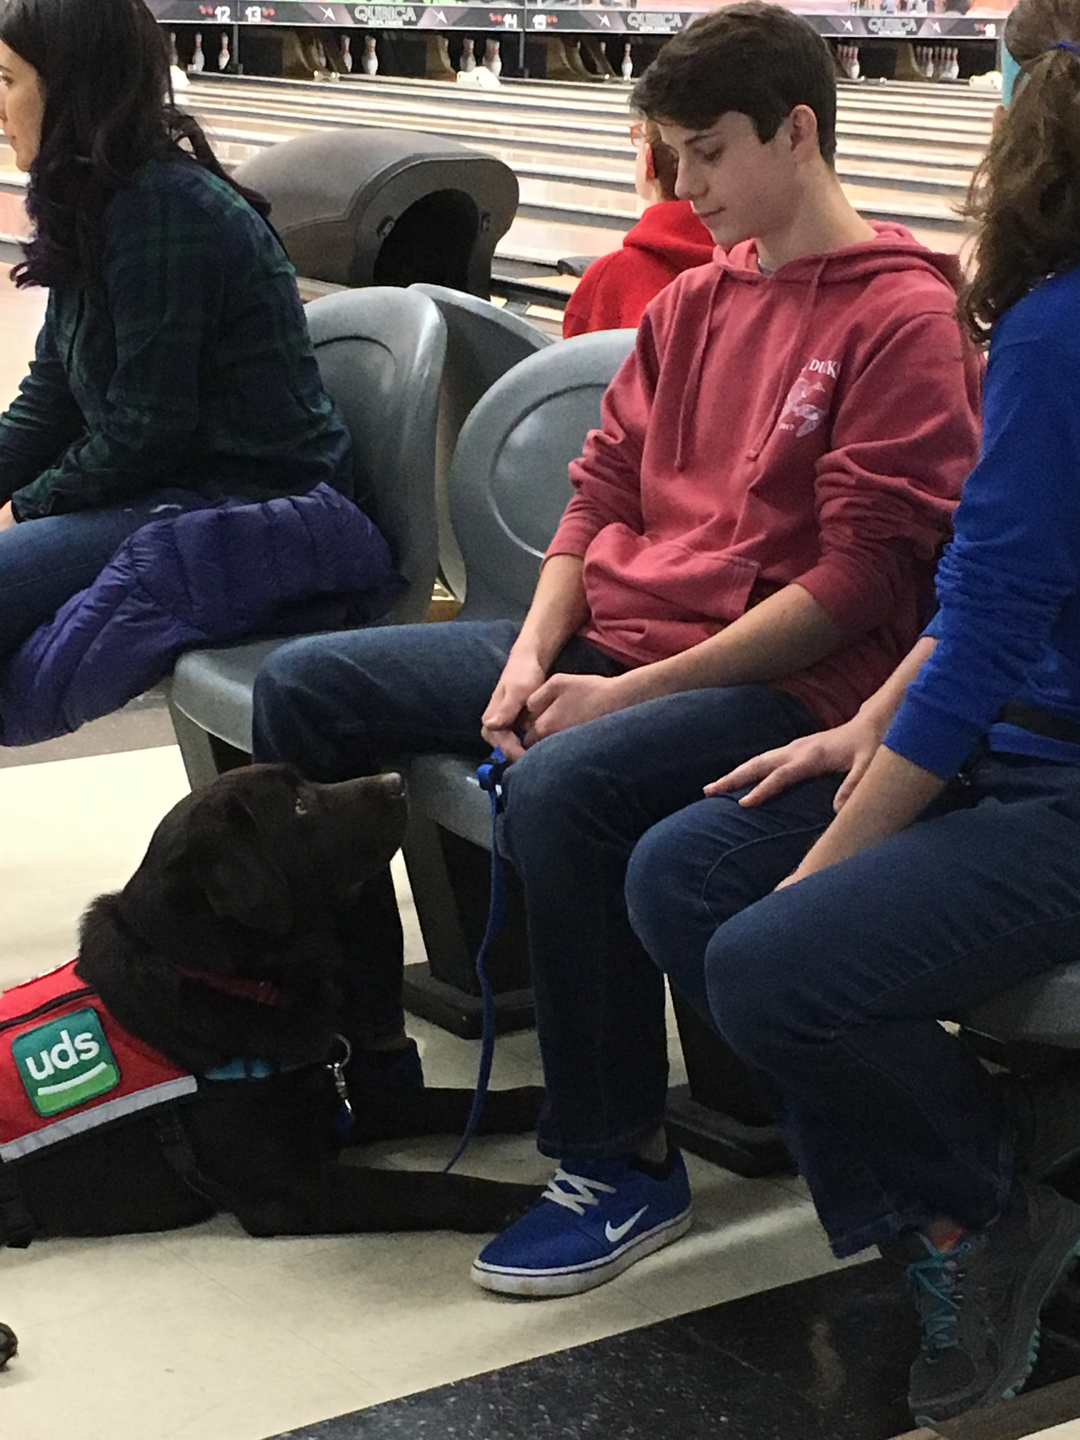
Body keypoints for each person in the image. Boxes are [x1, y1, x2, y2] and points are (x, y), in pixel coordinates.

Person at [251, 1, 981, 1297]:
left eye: (706, 153)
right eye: (672, 154)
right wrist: (533, 656)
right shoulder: (698, 300)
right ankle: (365, 1065)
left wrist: (617, 696)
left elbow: (861, 584)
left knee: (569, 781)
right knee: (308, 693)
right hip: (612, 644)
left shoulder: (900, 318)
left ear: (796, 132)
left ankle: (618, 1160)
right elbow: (599, 493)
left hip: (787, 683)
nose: (683, 186)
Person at [625, 0, 1080, 1422]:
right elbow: (991, 594)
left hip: (1058, 783)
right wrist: (866, 723)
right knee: (686, 871)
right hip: (1015, 740)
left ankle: (984, 1210)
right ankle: (945, 1195)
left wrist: (835, 862)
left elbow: (993, 620)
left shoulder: (1059, 331)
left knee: (769, 960)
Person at [0, 0, 352, 667]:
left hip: (258, 509)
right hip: (180, 491)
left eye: (8, 80)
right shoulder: (101, 202)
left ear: (69, 84)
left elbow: (144, 432)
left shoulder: (161, 209)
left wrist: (18, 510)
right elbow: (49, 403)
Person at [561, 117, 714, 337]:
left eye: (638, 138)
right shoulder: (762, 264)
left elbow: (574, 366)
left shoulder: (609, 277)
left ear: (649, 162)